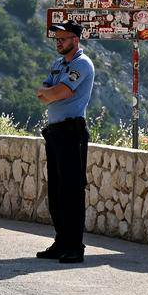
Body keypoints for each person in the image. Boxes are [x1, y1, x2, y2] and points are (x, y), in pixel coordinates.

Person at [35, 21, 94, 264]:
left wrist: (51, 93)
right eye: (56, 39)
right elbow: (43, 91)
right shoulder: (58, 64)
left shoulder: (82, 64)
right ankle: (61, 242)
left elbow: (61, 92)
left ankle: (74, 246)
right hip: (56, 131)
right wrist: (51, 92)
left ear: (75, 40)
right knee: (57, 191)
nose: (58, 42)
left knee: (72, 191)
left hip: (72, 130)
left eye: (63, 38)